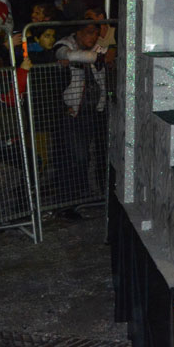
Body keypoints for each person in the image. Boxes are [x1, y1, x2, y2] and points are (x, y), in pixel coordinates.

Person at [53, 23, 109, 217]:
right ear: (77, 33)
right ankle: (69, 201)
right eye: (88, 33)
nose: (92, 38)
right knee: (76, 157)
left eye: (95, 33)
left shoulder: (97, 48)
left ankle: (84, 196)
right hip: (72, 113)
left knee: (89, 156)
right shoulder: (65, 45)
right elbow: (64, 54)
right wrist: (97, 57)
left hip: (93, 111)